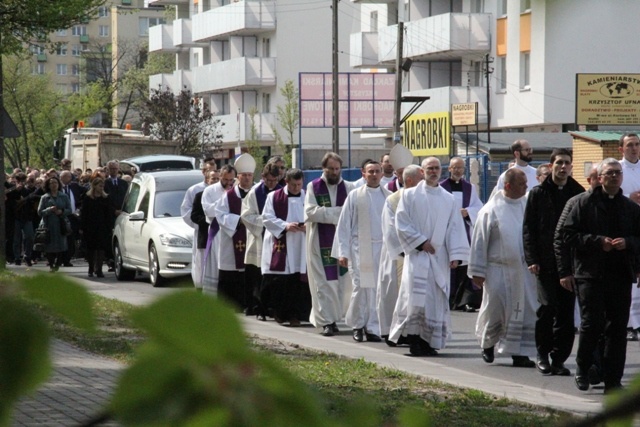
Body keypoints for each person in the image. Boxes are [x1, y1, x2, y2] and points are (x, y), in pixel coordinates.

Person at [557, 158, 640, 393]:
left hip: (620, 274)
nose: (614, 176)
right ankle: (583, 369)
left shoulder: (631, 208)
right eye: (609, 173)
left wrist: (628, 243)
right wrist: (597, 242)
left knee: (617, 329)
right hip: (590, 274)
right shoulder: (583, 203)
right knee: (591, 324)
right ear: (600, 178)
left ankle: (613, 379)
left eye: (617, 173)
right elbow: (568, 235)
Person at [388, 157, 470, 356]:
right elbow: (402, 222)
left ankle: (429, 340)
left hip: (439, 257)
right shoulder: (409, 196)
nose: (433, 172)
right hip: (418, 257)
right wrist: (420, 242)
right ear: (422, 172)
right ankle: (414, 340)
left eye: (436, 168)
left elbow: (455, 228)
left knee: (434, 300)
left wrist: (456, 255)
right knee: (416, 298)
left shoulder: (447, 198)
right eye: (429, 168)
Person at [523, 148, 585, 376]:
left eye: (566, 163)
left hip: (570, 264)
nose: (562, 167)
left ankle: (559, 358)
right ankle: (542, 353)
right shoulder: (538, 192)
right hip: (545, 262)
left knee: (567, 315)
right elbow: (528, 228)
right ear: (551, 166)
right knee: (547, 308)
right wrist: (532, 259)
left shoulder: (578, 192)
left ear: (571, 166)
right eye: (558, 163)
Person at [470, 168, 538, 367]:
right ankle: (488, 344)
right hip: (497, 270)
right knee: (495, 309)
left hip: (524, 271)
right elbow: (479, 242)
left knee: (523, 311)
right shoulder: (491, 210)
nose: (526, 187)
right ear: (508, 186)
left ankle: (520, 353)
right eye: (522, 184)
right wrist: (477, 271)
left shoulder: (527, 205)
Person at [333, 160, 390, 342]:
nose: (374, 175)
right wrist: (343, 252)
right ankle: (357, 325)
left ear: (382, 174)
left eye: (377, 171)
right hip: (359, 248)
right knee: (360, 287)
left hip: (382, 249)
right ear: (363, 173)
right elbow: (344, 226)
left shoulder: (389, 196)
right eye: (370, 171)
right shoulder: (355, 196)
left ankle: (372, 327)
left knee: (376, 290)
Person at [305, 152, 355, 336]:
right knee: (324, 284)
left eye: (337, 169)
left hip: (342, 242)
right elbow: (310, 212)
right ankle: (327, 321)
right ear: (323, 169)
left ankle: (337, 318)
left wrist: (330, 214)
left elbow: (351, 214)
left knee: (342, 283)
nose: (335, 172)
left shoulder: (349, 187)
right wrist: (338, 214)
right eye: (331, 169)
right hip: (320, 241)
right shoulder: (313, 187)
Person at [378, 161, 422, 346]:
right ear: (410, 181)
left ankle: (412, 331)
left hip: (418, 253)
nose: (424, 183)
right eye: (421, 179)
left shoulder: (423, 198)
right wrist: (407, 249)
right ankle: (392, 332)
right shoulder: (393, 200)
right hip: (398, 254)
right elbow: (390, 229)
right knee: (394, 292)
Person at [260, 168, 308, 326]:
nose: (296, 188)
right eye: (293, 184)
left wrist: (308, 226)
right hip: (282, 242)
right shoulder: (273, 196)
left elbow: (313, 215)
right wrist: (285, 226)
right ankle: (279, 313)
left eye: (299, 184)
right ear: (286, 182)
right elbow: (266, 217)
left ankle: (296, 314)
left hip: (301, 243)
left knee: (297, 281)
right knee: (281, 281)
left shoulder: (307, 196)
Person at [440, 157, 484, 312]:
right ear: (449, 169)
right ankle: (448, 297)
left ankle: (463, 300)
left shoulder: (470, 188)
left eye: (460, 167)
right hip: (447, 231)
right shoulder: (441, 187)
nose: (458, 170)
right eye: (455, 167)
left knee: (464, 266)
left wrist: (468, 212)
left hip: (465, 231)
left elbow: (479, 207)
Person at [214, 154, 255, 310]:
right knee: (231, 273)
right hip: (231, 241)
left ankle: (249, 305)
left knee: (250, 273)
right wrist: (239, 220)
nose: (246, 178)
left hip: (252, 237)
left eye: (249, 175)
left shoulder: (257, 193)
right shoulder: (228, 196)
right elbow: (220, 214)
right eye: (243, 175)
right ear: (238, 176)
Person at [241, 163, 283, 317]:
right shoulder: (254, 193)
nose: (272, 183)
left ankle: (273, 307)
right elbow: (246, 215)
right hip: (259, 239)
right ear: (263, 177)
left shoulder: (282, 192)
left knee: (275, 276)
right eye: (269, 180)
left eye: (274, 180)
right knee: (258, 276)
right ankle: (259, 308)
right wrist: (266, 221)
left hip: (277, 239)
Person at [617, 132, 640, 342]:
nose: (634, 148)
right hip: (625, 227)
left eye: (637, 144)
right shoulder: (617, 169)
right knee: (630, 279)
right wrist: (629, 198)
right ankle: (631, 324)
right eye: (630, 145)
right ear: (621, 149)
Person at [201, 165, 237, 296]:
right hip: (217, 233)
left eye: (231, 180)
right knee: (215, 265)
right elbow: (208, 210)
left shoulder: (236, 190)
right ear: (220, 176)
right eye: (226, 179)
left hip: (233, 232)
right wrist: (224, 200)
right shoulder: (210, 191)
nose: (229, 183)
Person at [181, 159, 216, 289]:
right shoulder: (195, 190)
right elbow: (186, 212)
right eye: (209, 171)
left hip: (219, 233)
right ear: (204, 173)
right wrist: (201, 225)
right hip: (202, 231)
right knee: (201, 261)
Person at [37, 177, 72, 272]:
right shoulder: (44, 197)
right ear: (48, 185)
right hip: (48, 224)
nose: (54, 185)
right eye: (51, 183)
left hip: (61, 224)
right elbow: (40, 212)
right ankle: (51, 264)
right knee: (49, 246)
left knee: (61, 245)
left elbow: (70, 210)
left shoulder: (64, 196)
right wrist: (49, 210)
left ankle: (58, 263)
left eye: (55, 183)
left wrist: (61, 211)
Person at [80, 178, 113, 277]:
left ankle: (99, 269)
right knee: (91, 249)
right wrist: (82, 226)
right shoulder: (87, 198)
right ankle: (91, 267)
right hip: (90, 226)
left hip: (102, 226)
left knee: (101, 248)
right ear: (94, 186)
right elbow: (84, 213)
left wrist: (109, 226)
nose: (101, 188)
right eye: (99, 186)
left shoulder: (105, 198)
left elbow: (108, 213)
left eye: (102, 186)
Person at [104, 160, 129, 271]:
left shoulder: (123, 183)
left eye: (115, 169)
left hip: (122, 214)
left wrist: (123, 210)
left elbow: (127, 199)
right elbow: (105, 201)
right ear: (108, 170)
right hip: (110, 215)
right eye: (111, 169)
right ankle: (111, 260)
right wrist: (113, 211)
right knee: (111, 237)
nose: (114, 171)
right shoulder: (104, 183)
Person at [59, 170, 86, 267]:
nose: (69, 178)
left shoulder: (75, 186)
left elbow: (86, 192)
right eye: (66, 176)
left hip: (73, 216)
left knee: (71, 238)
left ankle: (67, 259)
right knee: (61, 238)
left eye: (69, 176)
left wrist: (80, 208)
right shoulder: (57, 187)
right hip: (60, 216)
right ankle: (60, 258)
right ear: (61, 178)